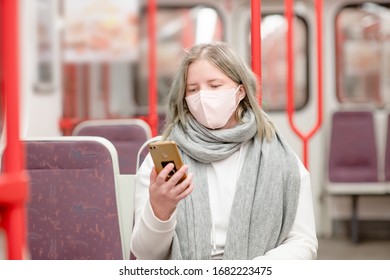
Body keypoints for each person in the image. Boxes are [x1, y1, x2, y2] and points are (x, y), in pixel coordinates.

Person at [131, 41, 318, 260]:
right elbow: (145, 254)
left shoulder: (280, 157)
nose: (203, 96)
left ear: (240, 92)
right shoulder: (159, 163)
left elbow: (303, 242)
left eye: (215, 85)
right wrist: (159, 210)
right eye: (193, 89)